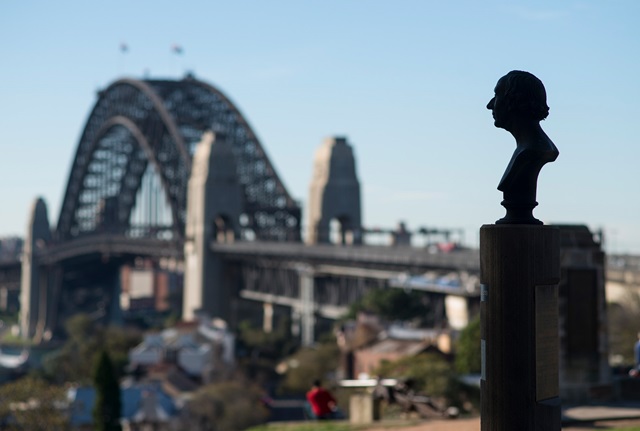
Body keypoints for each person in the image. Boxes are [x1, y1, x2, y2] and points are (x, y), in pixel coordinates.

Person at [486, 70, 559, 225]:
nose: (490, 105)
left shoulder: (532, 152)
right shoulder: (531, 149)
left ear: (515, 100)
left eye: (497, 95)